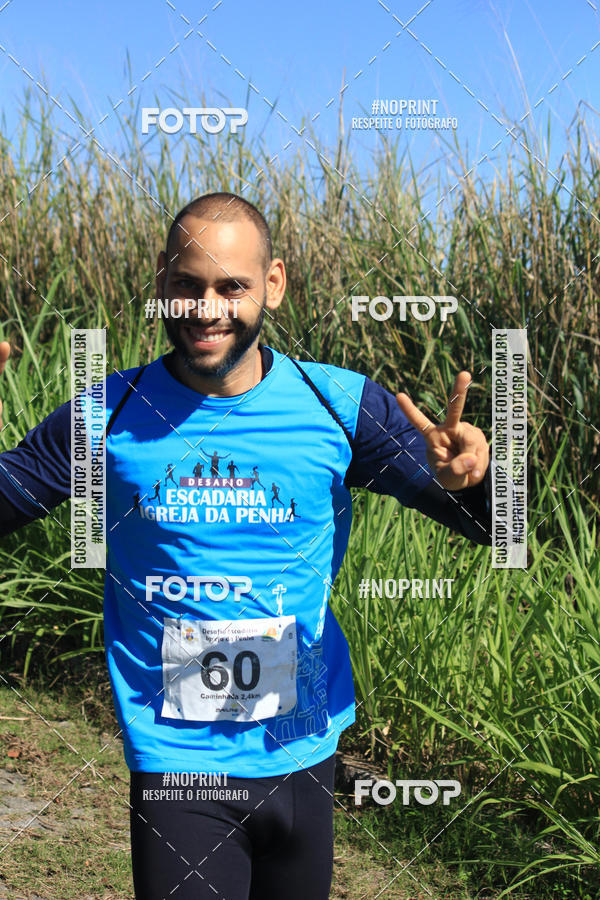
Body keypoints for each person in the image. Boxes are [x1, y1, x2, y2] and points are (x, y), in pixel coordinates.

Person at [0, 191, 491, 899]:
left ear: (274, 284)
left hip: (304, 753)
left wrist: (476, 481)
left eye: (231, 285)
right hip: (179, 767)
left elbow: (500, 529)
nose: (207, 307)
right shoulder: (105, 418)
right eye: (187, 285)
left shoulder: (340, 407)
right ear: (162, 286)